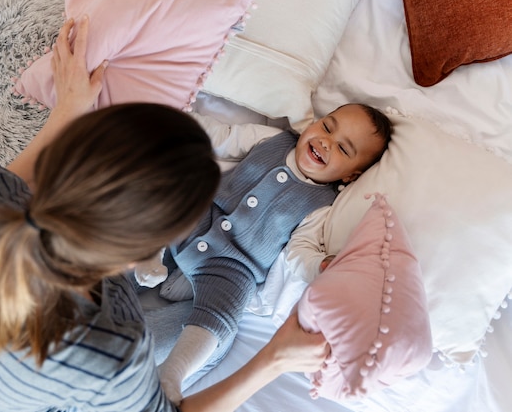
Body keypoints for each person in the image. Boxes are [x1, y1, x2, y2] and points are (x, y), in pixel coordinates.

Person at [0, 16, 330, 412]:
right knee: (214, 325)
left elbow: (16, 182)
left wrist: (66, 109)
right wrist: (274, 359)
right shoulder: (115, 352)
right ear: (147, 253)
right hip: (8, 397)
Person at [139, 100, 393, 403]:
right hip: (200, 213)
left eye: (343, 149)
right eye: (327, 127)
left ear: (351, 175)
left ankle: (171, 375)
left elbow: (301, 250)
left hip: (233, 266)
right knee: (161, 202)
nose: (326, 142)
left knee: (222, 317)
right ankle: (147, 254)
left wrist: (321, 267)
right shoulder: (272, 140)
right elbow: (221, 136)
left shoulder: (323, 206)